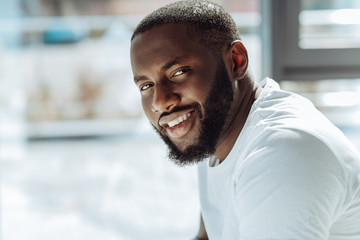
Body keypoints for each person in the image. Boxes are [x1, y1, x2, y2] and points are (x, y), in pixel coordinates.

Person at [130, 1, 360, 239]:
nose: (160, 101)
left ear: (236, 61)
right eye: (146, 85)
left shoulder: (280, 153)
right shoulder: (214, 130)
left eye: (179, 72)